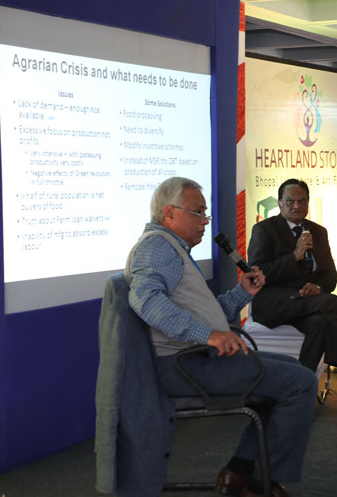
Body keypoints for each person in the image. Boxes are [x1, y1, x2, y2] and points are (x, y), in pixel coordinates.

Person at [127, 177, 317, 497]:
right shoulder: (157, 247)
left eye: (206, 213)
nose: (205, 221)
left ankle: (238, 472)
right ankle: (260, 484)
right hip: (185, 365)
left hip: (195, 358)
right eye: (198, 212)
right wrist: (209, 335)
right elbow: (146, 301)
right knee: (301, 383)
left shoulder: (174, 248)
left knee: (293, 373)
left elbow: (207, 313)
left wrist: (243, 293)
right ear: (169, 213)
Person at [247, 178, 337, 402]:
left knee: (320, 322)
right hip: (274, 303)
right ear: (280, 203)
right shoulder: (265, 229)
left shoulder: (318, 232)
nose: (296, 206)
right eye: (290, 201)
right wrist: (294, 256)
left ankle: (300, 387)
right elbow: (258, 274)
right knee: (332, 302)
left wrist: (318, 287)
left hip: (306, 305)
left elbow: (331, 276)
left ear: (308, 203)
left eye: (302, 201)